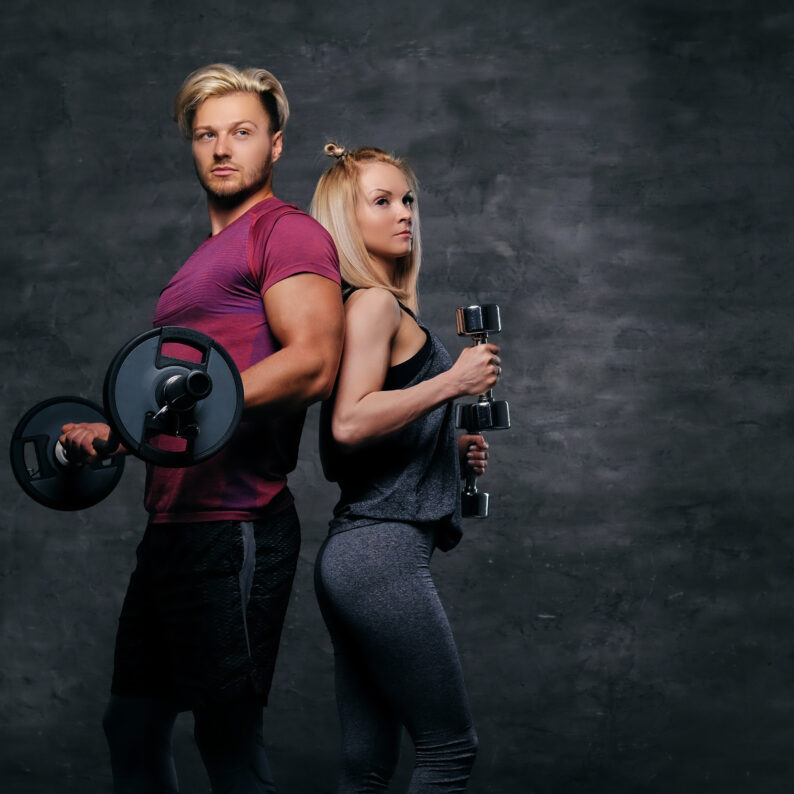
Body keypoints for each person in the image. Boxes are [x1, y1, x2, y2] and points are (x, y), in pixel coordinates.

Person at [59, 65, 344, 793]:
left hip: (236, 525)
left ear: (275, 146)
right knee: (132, 724)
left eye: (241, 132)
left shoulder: (287, 233)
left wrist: (185, 411)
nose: (223, 148)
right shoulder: (197, 267)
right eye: (206, 134)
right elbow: (186, 394)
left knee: (228, 741)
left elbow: (312, 364)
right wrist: (123, 432)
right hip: (173, 526)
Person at [310, 142, 500, 793]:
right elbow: (348, 424)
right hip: (382, 557)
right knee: (448, 752)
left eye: (408, 199)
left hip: (350, 554)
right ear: (345, 220)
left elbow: (346, 456)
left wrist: (441, 451)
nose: (404, 214)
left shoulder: (357, 308)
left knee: (366, 768)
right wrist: (452, 383)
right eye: (382, 201)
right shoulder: (374, 305)